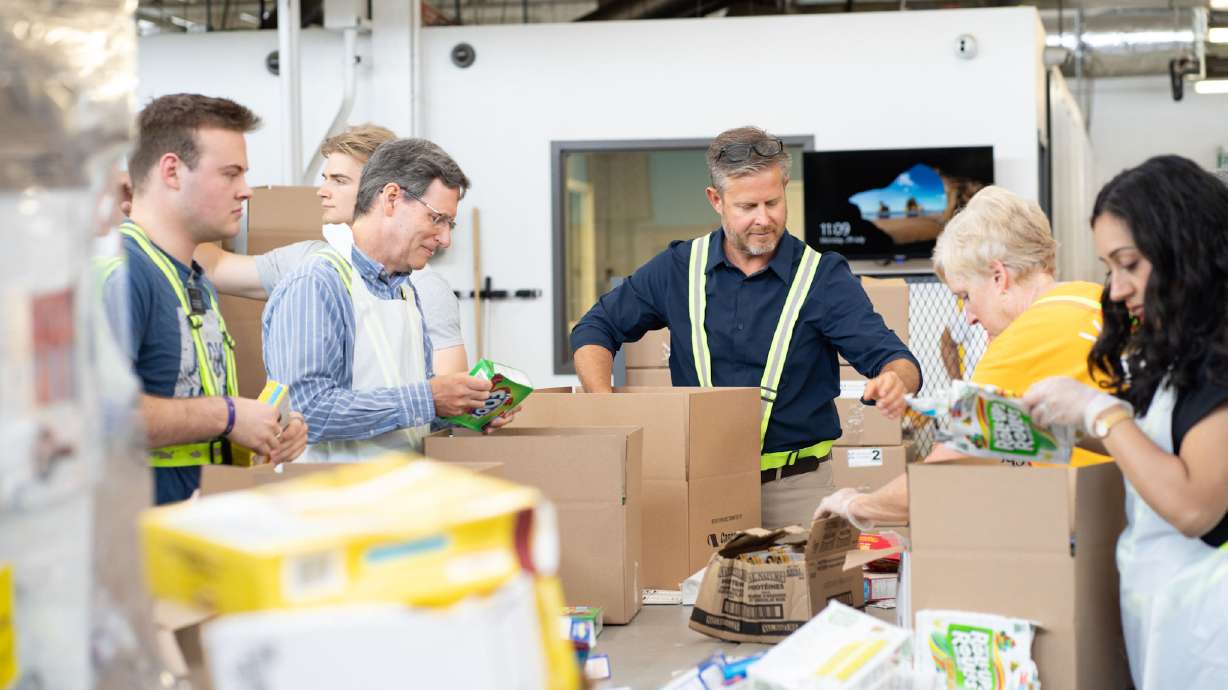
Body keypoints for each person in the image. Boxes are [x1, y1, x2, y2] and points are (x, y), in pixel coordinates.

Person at [570, 126, 922, 529]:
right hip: (698, 485)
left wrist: (896, 380)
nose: (763, 219)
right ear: (715, 200)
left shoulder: (822, 278)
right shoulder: (677, 269)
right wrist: (607, 407)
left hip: (796, 488)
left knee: (803, 593)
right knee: (691, 594)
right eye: (747, 206)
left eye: (773, 202)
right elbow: (595, 328)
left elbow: (896, 358)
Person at [1023, 155, 1228, 689]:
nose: (1114, 289)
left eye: (1129, 263)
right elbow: (1160, 449)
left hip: (1210, 624)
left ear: (1184, 250)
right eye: (1108, 267)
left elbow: (1193, 505)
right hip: (1165, 614)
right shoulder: (1180, 345)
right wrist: (1065, 423)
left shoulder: (1222, 357)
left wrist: (1101, 412)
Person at [815, 186, 1111, 528]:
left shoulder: (1023, 340)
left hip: (1089, 528)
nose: (968, 315)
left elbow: (943, 479)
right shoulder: (1095, 298)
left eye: (965, 296)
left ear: (999, 277)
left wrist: (856, 504)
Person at [105, 93, 308, 504]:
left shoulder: (193, 279)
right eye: (230, 174)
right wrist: (229, 415)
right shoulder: (125, 274)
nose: (246, 191)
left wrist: (264, 428)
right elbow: (96, 414)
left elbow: (185, 408)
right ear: (172, 171)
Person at [263, 138, 510, 462]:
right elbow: (309, 411)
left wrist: (466, 410)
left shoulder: (406, 292)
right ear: (392, 198)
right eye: (437, 219)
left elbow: (408, 415)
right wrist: (429, 398)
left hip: (393, 498)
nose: (445, 239)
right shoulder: (317, 284)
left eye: (449, 224)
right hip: (334, 502)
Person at [194, 124, 469, 375]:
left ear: (381, 189)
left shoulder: (420, 286)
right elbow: (215, 267)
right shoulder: (306, 263)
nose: (322, 191)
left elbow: (446, 393)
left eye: (339, 180)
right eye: (325, 178)